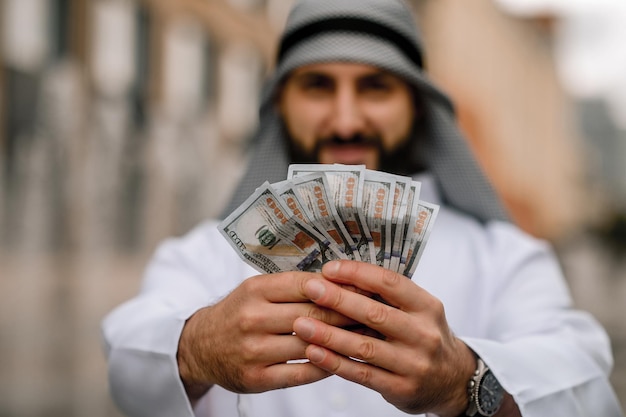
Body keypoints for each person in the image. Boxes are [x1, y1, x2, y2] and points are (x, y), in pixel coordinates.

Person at [101, 0, 624, 416]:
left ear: (416, 107)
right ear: (281, 103)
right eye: (318, 86)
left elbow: (586, 384)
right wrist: (198, 346)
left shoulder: (505, 257)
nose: (346, 120)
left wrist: (464, 379)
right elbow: (127, 356)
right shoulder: (205, 256)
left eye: (375, 87)